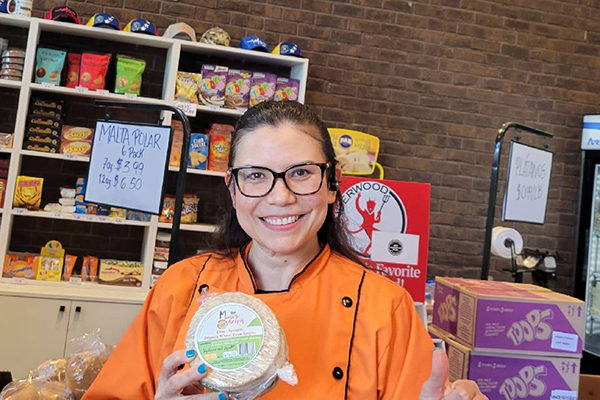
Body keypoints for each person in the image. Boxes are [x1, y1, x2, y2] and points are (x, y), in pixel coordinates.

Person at [83, 101, 486, 399]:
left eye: (301, 173)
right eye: (256, 175)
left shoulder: (385, 306)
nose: (280, 197)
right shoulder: (182, 287)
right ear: (233, 188)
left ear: (332, 184)